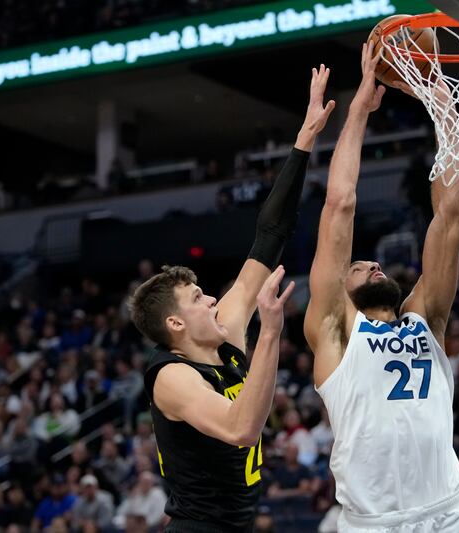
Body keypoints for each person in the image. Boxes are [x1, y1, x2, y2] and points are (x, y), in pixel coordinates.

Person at [131, 65, 334, 533]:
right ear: (176, 325)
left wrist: (303, 140)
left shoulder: (225, 329)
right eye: (198, 297)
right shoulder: (172, 377)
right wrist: (271, 334)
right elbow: (241, 428)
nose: (211, 300)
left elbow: (270, 235)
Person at [304, 43, 459, 532]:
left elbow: (451, 214)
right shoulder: (335, 330)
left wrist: (441, 104)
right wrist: (360, 106)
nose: (372, 262)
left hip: (448, 514)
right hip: (373, 523)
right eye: (357, 265)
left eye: (371, 262)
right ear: (340, 286)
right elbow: (339, 204)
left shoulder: (426, 318)